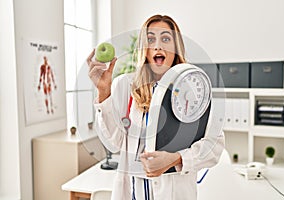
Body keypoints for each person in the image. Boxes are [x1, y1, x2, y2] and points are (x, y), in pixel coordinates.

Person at [87, 14, 225, 200]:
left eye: (166, 39)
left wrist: (177, 158)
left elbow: (214, 145)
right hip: (133, 190)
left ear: (177, 48)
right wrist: (104, 93)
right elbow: (114, 143)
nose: (158, 45)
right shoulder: (124, 85)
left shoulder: (195, 88)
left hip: (174, 191)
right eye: (151, 39)